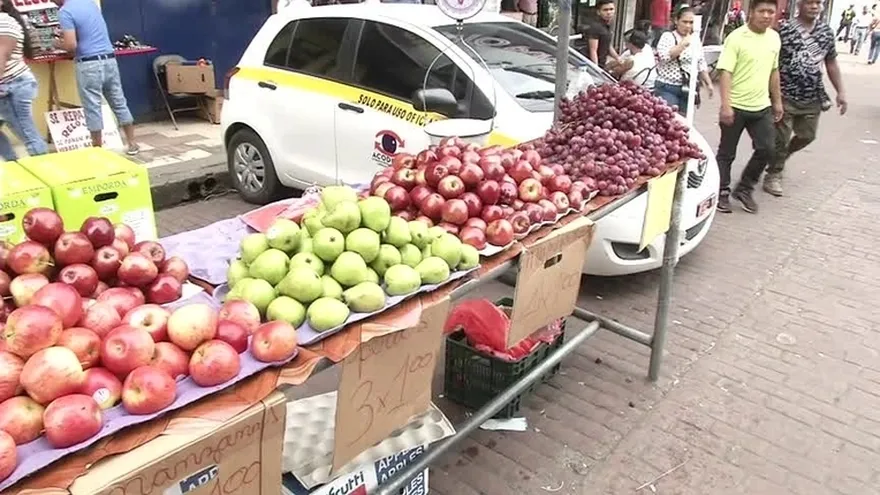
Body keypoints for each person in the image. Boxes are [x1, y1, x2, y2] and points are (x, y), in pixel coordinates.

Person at [764, 0, 845, 197]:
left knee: (807, 136)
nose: (815, 6)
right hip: (785, 95)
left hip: (812, 96)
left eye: (818, 3)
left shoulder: (826, 32)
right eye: (810, 2)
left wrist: (841, 91)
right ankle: (773, 174)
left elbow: (831, 62)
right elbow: (770, 62)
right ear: (800, 5)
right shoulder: (784, 30)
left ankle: (782, 157)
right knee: (780, 140)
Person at [713, 0, 782, 214]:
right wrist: (726, 105)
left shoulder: (774, 38)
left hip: (761, 106)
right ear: (751, 12)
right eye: (762, 11)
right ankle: (721, 191)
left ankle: (744, 188)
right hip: (736, 106)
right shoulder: (736, 38)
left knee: (768, 149)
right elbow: (725, 72)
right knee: (727, 152)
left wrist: (777, 101)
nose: (767, 16)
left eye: (771, 11)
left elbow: (774, 71)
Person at [52, 0, 139, 154]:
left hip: (88, 64)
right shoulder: (90, 3)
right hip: (109, 60)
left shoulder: (65, 11)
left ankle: (97, 150)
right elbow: (89, 31)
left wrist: (58, 44)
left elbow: (71, 46)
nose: (53, 3)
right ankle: (132, 143)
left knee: (92, 107)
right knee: (119, 102)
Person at [0, 0, 49, 160]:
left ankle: (45, 167)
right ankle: (12, 163)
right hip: (9, 84)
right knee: (25, 130)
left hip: (12, 85)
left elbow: (1, 57)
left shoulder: (4, 21)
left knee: (27, 132)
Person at [654, 7, 713, 116]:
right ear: (676, 21)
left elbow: (700, 62)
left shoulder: (695, 39)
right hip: (668, 86)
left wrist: (708, 83)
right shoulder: (668, 37)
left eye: (691, 23)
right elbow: (665, 57)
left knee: (683, 122)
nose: (687, 26)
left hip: (687, 87)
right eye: (684, 22)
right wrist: (682, 44)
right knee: (669, 118)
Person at [582, 0, 619, 68]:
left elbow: (608, 45)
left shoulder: (606, 26)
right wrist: (596, 69)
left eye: (611, 9)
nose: (609, 12)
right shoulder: (595, 27)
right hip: (593, 66)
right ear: (598, 12)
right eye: (605, 10)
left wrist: (618, 58)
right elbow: (593, 50)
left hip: (602, 64)